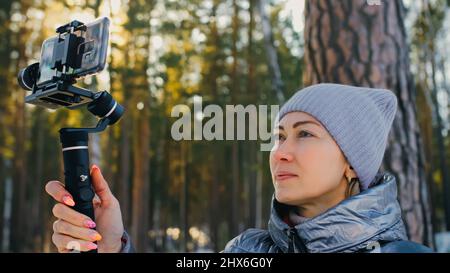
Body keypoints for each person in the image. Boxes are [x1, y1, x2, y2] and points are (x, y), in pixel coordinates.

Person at [45, 83, 433, 253]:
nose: (280, 152)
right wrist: (111, 246)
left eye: (306, 134)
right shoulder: (246, 250)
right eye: (279, 136)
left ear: (352, 162)